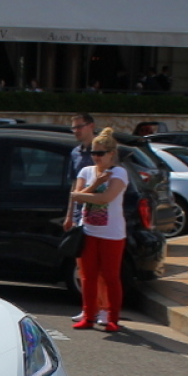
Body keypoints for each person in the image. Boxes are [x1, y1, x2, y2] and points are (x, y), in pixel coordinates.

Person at [68, 127, 129, 333]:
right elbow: (75, 196)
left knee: (111, 276)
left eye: (100, 153)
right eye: (93, 153)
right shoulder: (86, 172)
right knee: (87, 276)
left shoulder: (119, 173)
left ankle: (112, 317)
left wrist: (86, 194)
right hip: (89, 231)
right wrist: (96, 184)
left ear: (111, 154)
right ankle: (88, 315)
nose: (96, 157)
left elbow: (105, 198)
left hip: (112, 234)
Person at [64, 113, 109, 326]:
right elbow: (74, 187)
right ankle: (88, 308)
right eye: (73, 128)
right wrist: (69, 215)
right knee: (83, 267)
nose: (76, 131)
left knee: (99, 268)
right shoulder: (75, 153)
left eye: (79, 127)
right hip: (80, 216)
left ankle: (104, 309)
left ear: (91, 126)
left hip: (100, 214)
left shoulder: (103, 150)